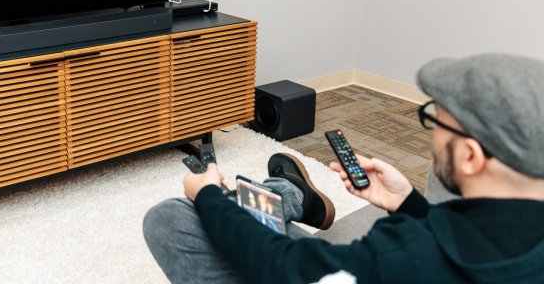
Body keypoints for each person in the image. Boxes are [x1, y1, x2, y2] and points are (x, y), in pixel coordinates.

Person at [143, 53, 544, 283]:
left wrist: (208, 196)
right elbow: (468, 238)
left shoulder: (401, 253)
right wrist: (407, 203)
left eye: (436, 121)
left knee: (173, 217)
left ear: (471, 157)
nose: (433, 134)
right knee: (243, 213)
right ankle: (293, 196)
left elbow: (286, 270)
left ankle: (288, 195)